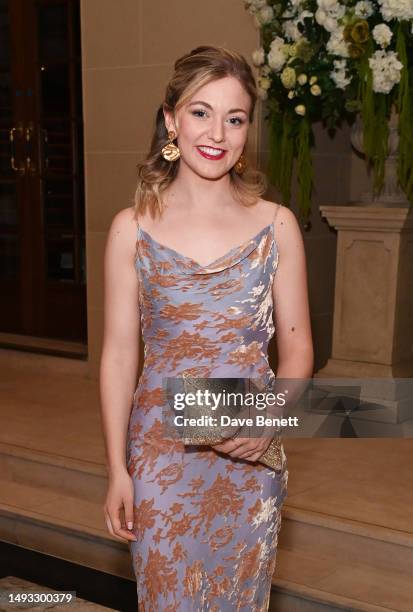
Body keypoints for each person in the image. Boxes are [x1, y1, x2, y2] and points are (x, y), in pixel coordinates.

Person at [100, 45, 313, 611]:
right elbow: (120, 357)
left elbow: (298, 353)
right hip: (160, 456)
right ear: (171, 119)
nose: (217, 131)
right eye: (201, 112)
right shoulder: (132, 230)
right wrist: (117, 469)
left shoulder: (277, 225)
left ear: (247, 130)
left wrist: (271, 419)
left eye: (235, 118)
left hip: (252, 451)